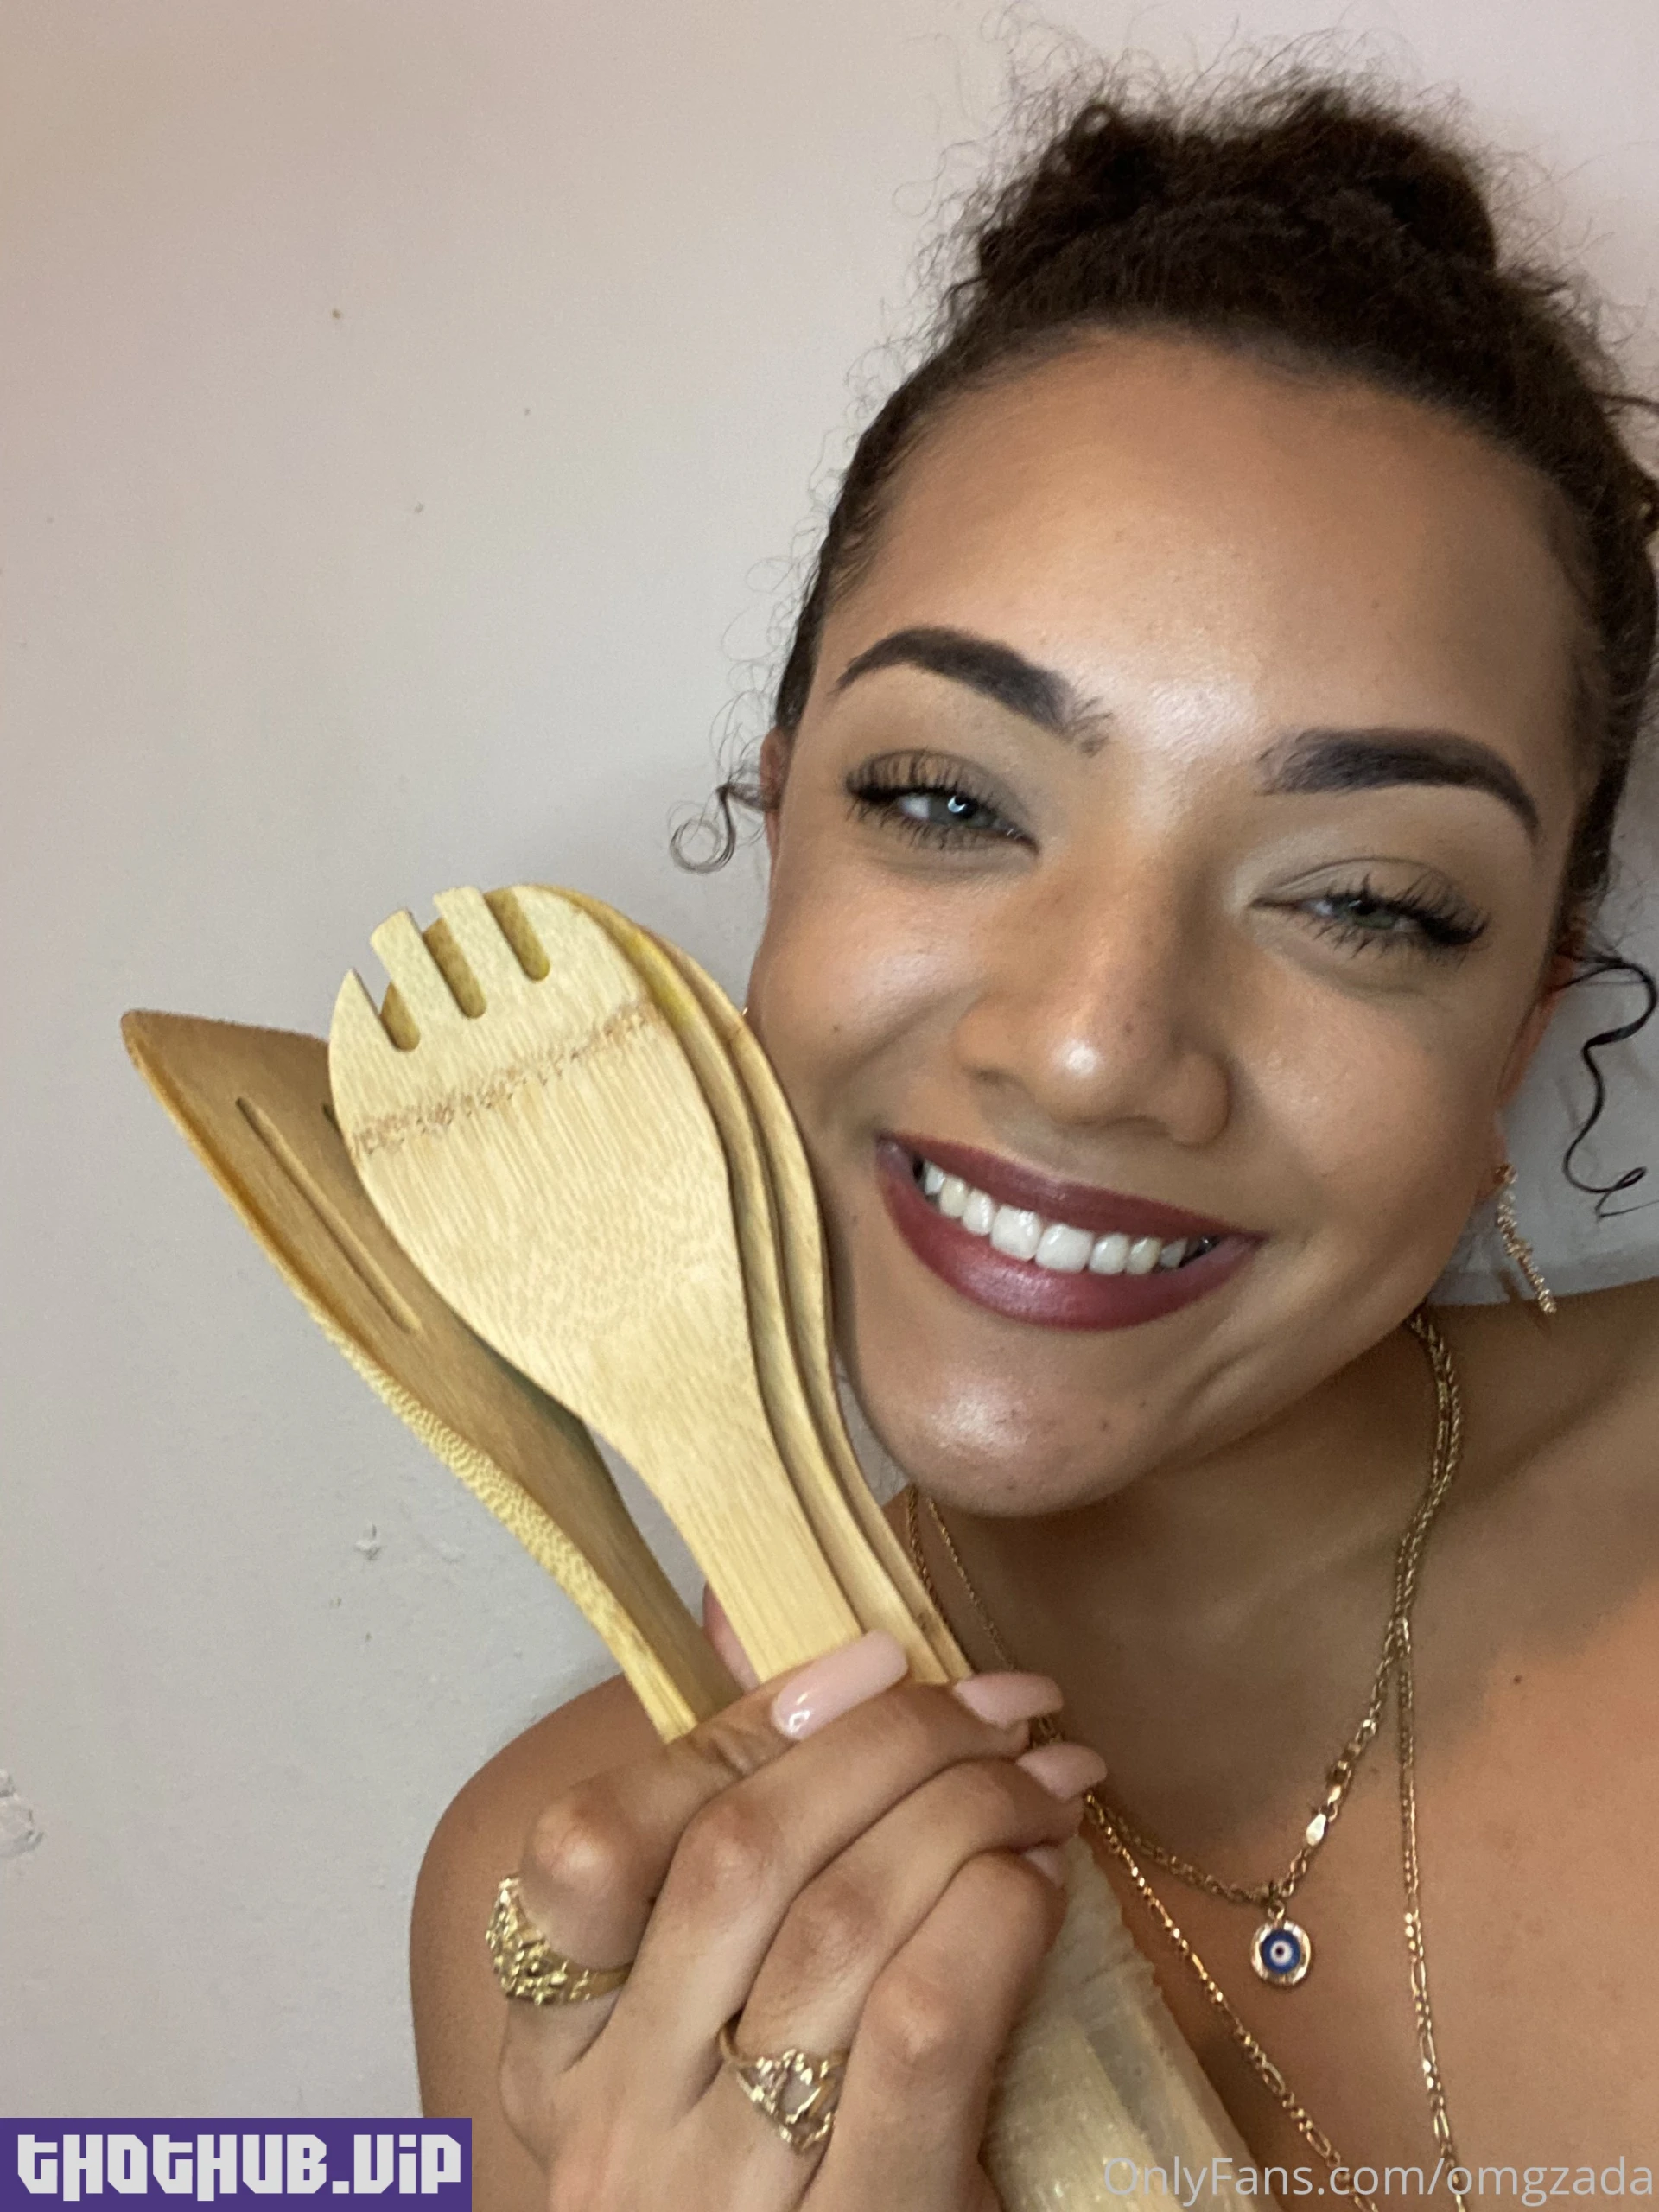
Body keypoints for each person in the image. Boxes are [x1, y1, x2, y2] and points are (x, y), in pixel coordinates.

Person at [408, 66, 1659, 2209]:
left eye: (1368, 900)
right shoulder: (564, 1905)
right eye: (947, 800)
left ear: (1527, 1013)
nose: (1091, 1048)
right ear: (784, 827)